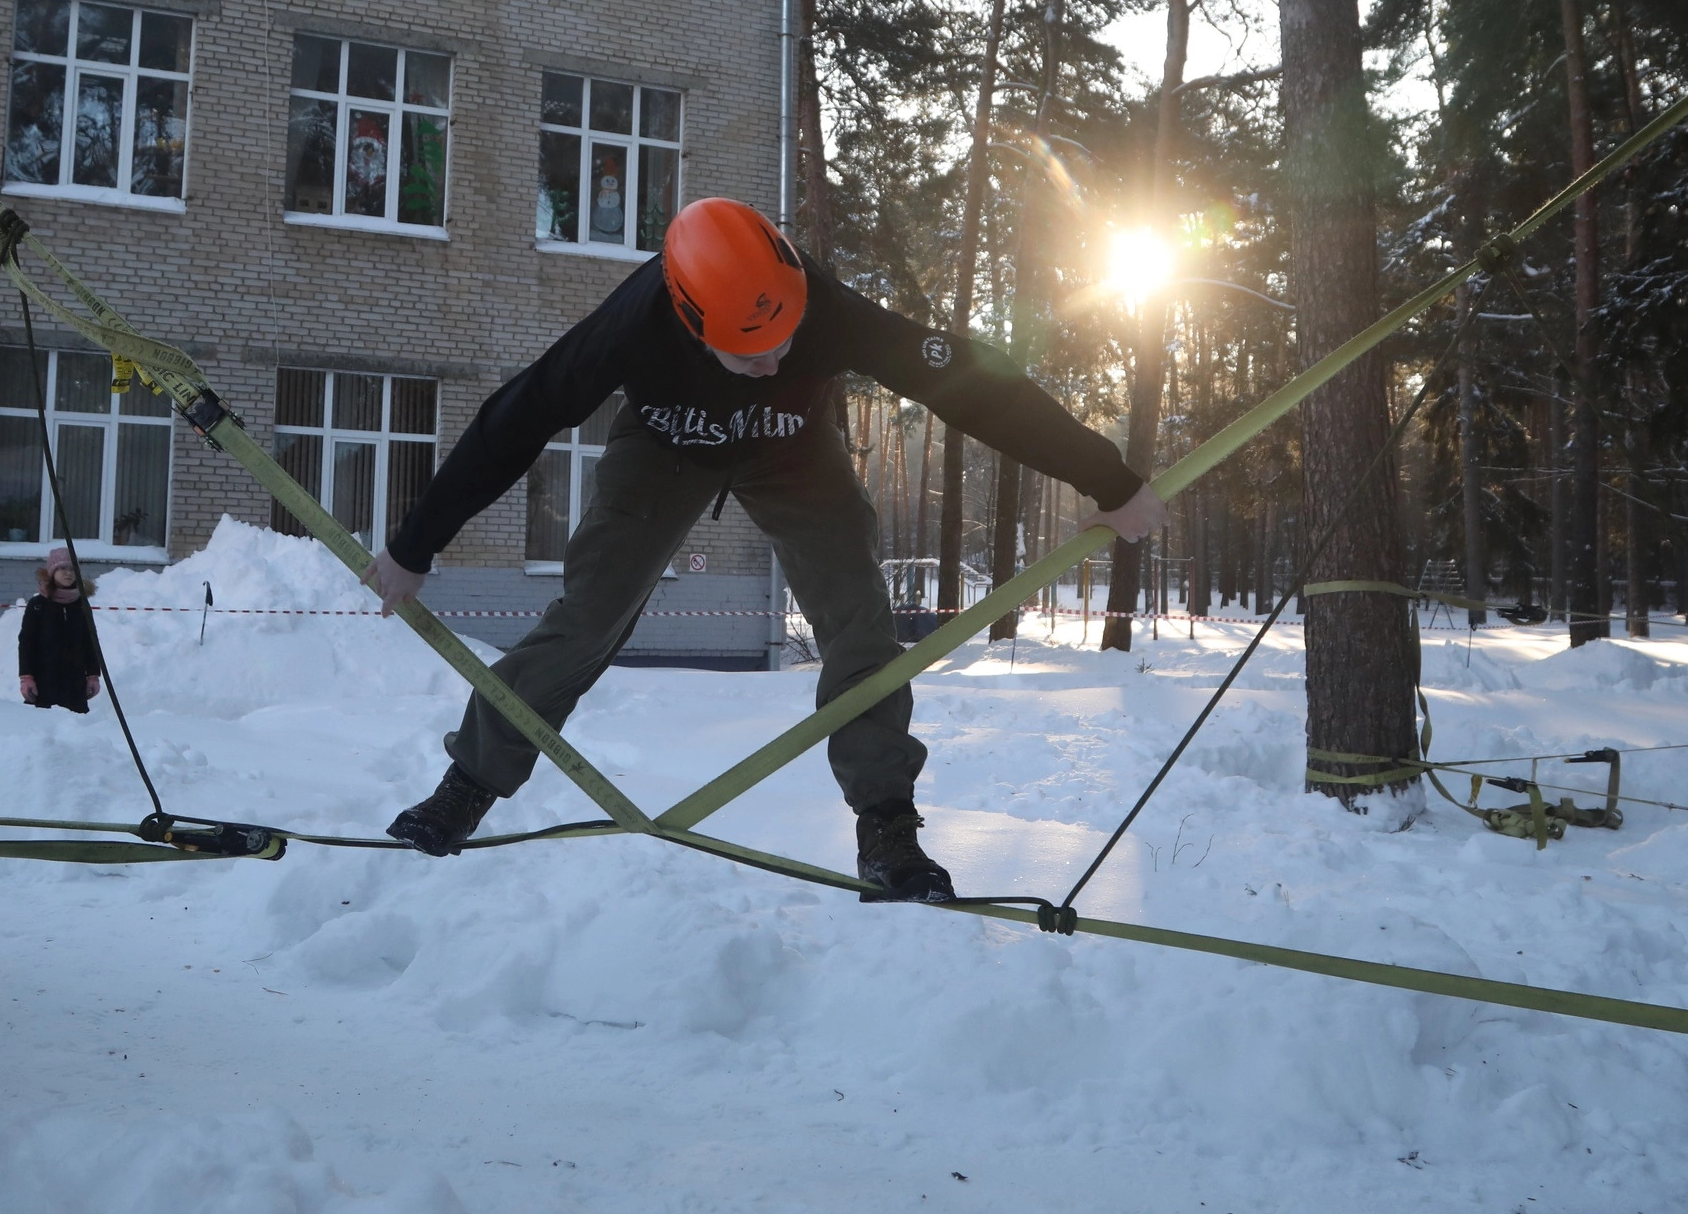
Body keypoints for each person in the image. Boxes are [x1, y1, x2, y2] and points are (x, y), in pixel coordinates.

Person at [362, 198, 1167, 901]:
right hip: (668, 444)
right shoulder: (633, 324)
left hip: (793, 446)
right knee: (589, 616)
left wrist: (1105, 476)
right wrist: (415, 543)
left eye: (787, 340)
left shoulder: (824, 309)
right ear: (688, 318)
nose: (778, 359)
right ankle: (467, 785)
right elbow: (517, 418)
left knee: (859, 618)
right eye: (753, 351)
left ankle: (886, 825)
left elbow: (971, 379)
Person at [17, 545, 104, 713]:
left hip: (75, 682)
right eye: (62, 568)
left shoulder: (81, 604)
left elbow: (90, 641)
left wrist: (93, 675)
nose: (68, 573)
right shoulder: (38, 605)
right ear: (51, 571)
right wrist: (26, 677)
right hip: (44, 681)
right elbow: (26, 642)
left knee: (75, 730)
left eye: (72, 569)